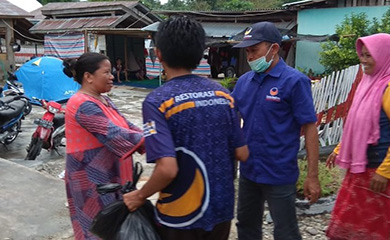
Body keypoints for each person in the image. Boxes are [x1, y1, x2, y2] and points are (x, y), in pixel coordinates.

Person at [123, 16, 249, 240]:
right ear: (201, 52)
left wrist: (140, 196)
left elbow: (167, 169)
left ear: (159, 53)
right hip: (221, 209)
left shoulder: (158, 101)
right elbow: (242, 152)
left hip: (181, 215)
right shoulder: (223, 95)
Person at [231, 21, 321, 240]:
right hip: (249, 172)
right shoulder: (244, 82)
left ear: (274, 48)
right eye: (247, 51)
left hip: (280, 173)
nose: (250, 56)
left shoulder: (295, 82)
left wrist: (313, 176)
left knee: (285, 231)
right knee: (246, 225)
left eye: (254, 50)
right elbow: (232, 122)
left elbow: (309, 128)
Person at [62, 52, 145, 239]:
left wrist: (149, 136)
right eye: (106, 72)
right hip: (92, 178)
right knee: (97, 228)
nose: (112, 76)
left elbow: (127, 125)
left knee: (114, 226)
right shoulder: (81, 103)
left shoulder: (103, 99)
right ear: (88, 77)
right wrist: (156, 141)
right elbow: (114, 133)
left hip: (109, 176)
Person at [325, 33, 390, 240]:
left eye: (369, 55)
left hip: (380, 176)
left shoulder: (388, 89)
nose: (362, 60)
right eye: (361, 55)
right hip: (361, 171)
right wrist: (338, 149)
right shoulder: (368, 84)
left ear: (384, 56)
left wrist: (384, 172)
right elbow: (358, 124)